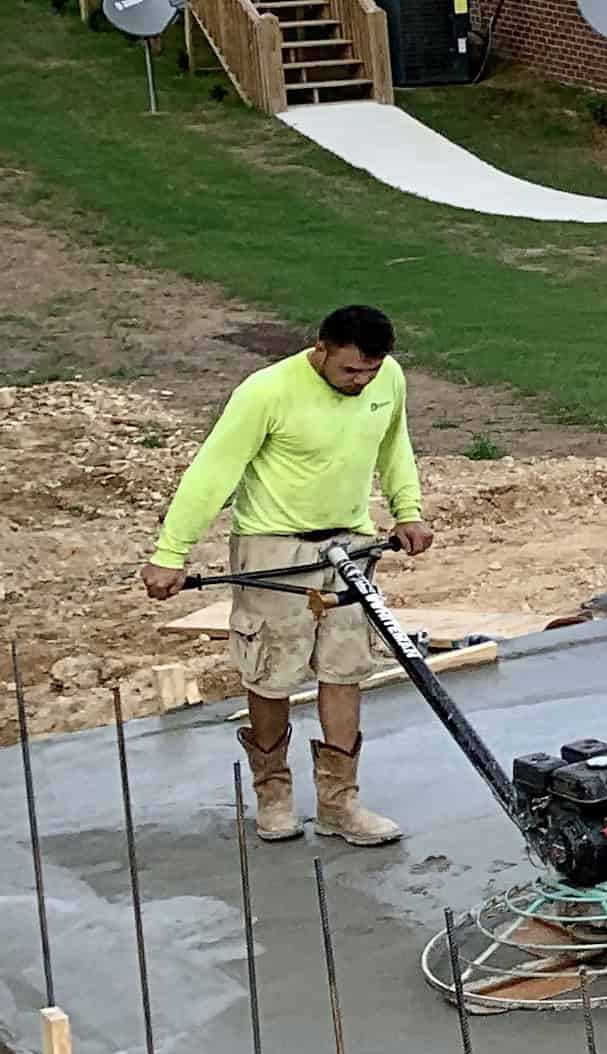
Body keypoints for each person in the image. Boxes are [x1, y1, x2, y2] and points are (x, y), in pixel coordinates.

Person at [138, 305, 434, 848]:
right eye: (350, 370)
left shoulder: (387, 379)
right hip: (273, 547)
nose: (361, 381)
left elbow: (395, 445)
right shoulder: (266, 392)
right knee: (271, 674)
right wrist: (170, 552)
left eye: (370, 371)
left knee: (345, 669)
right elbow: (213, 471)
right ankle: (273, 792)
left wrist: (408, 510)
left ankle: (339, 802)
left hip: (350, 542)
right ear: (320, 349)